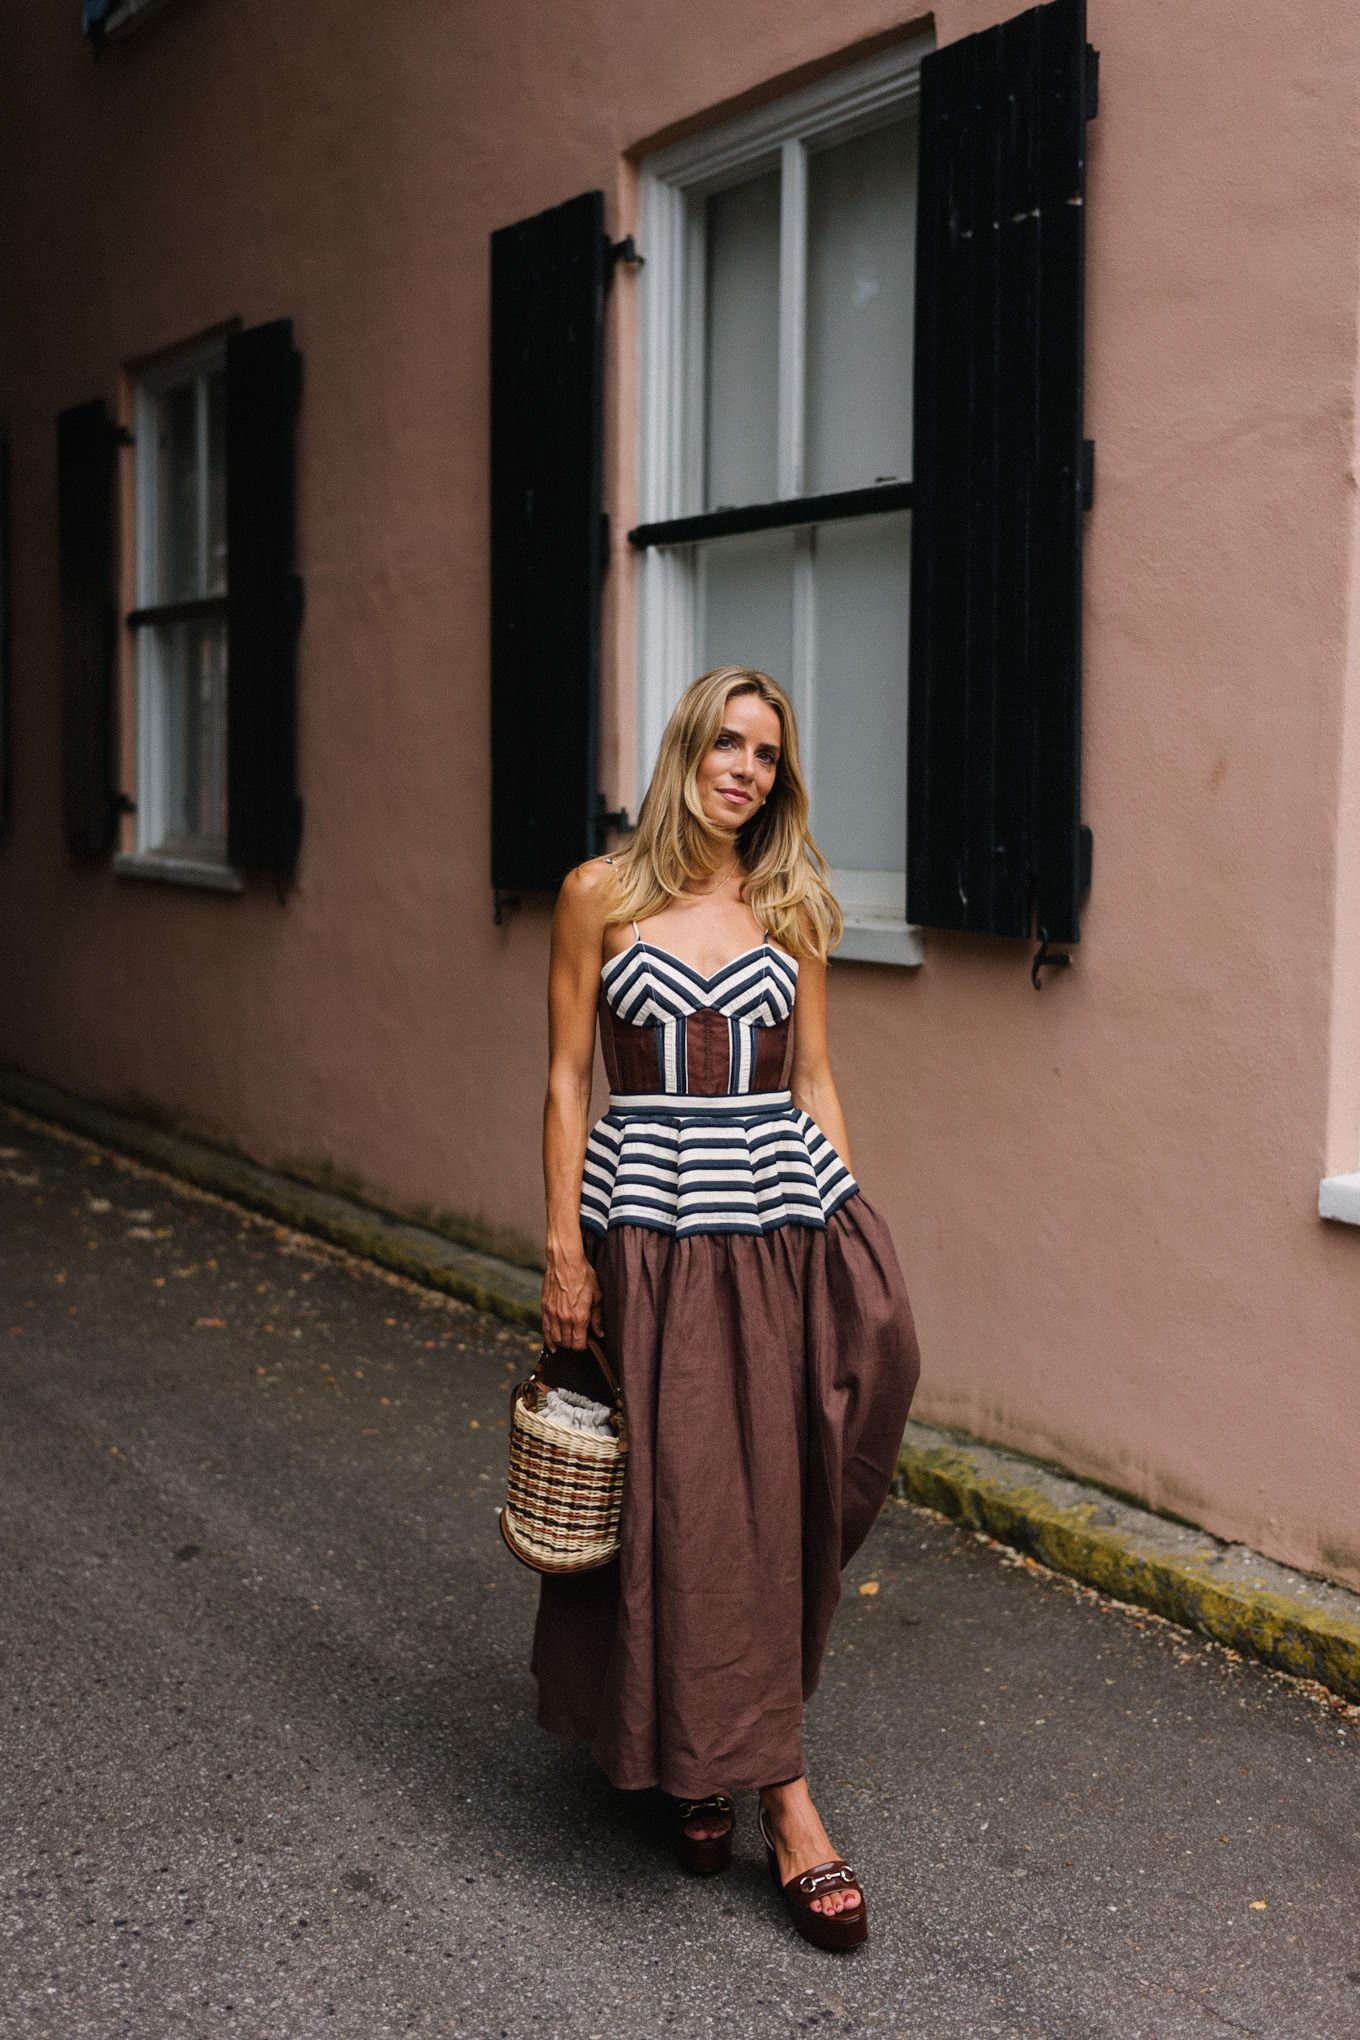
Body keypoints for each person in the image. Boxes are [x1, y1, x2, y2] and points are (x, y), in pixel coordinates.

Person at [533, 664, 920, 1950]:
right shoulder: (599, 895)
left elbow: (812, 1077)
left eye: (767, 754)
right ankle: (771, 1795)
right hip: (646, 1236)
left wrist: (850, 1225)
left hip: (780, 1230)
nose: (746, 769)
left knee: (784, 1482)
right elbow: (565, 1078)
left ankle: (727, 1759)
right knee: (688, 1499)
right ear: (686, 749)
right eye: (728, 743)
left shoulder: (791, 908)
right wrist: (560, 1250)